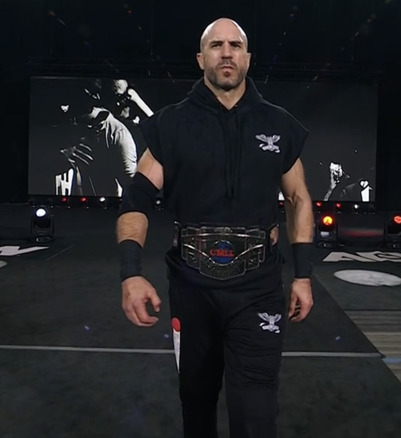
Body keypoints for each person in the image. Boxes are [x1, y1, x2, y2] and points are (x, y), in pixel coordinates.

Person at [115, 17, 315, 438]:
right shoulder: (171, 124)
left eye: (236, 45)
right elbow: (136, 199)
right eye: (217, 45)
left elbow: (298, 198)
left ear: (247, 57)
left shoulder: (278, 124)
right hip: (192, 289)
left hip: (258, 288)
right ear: (201, 57)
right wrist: (130, 273)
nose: (227, 53)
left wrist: (303, 275)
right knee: (197, 405)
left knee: (256, 413)